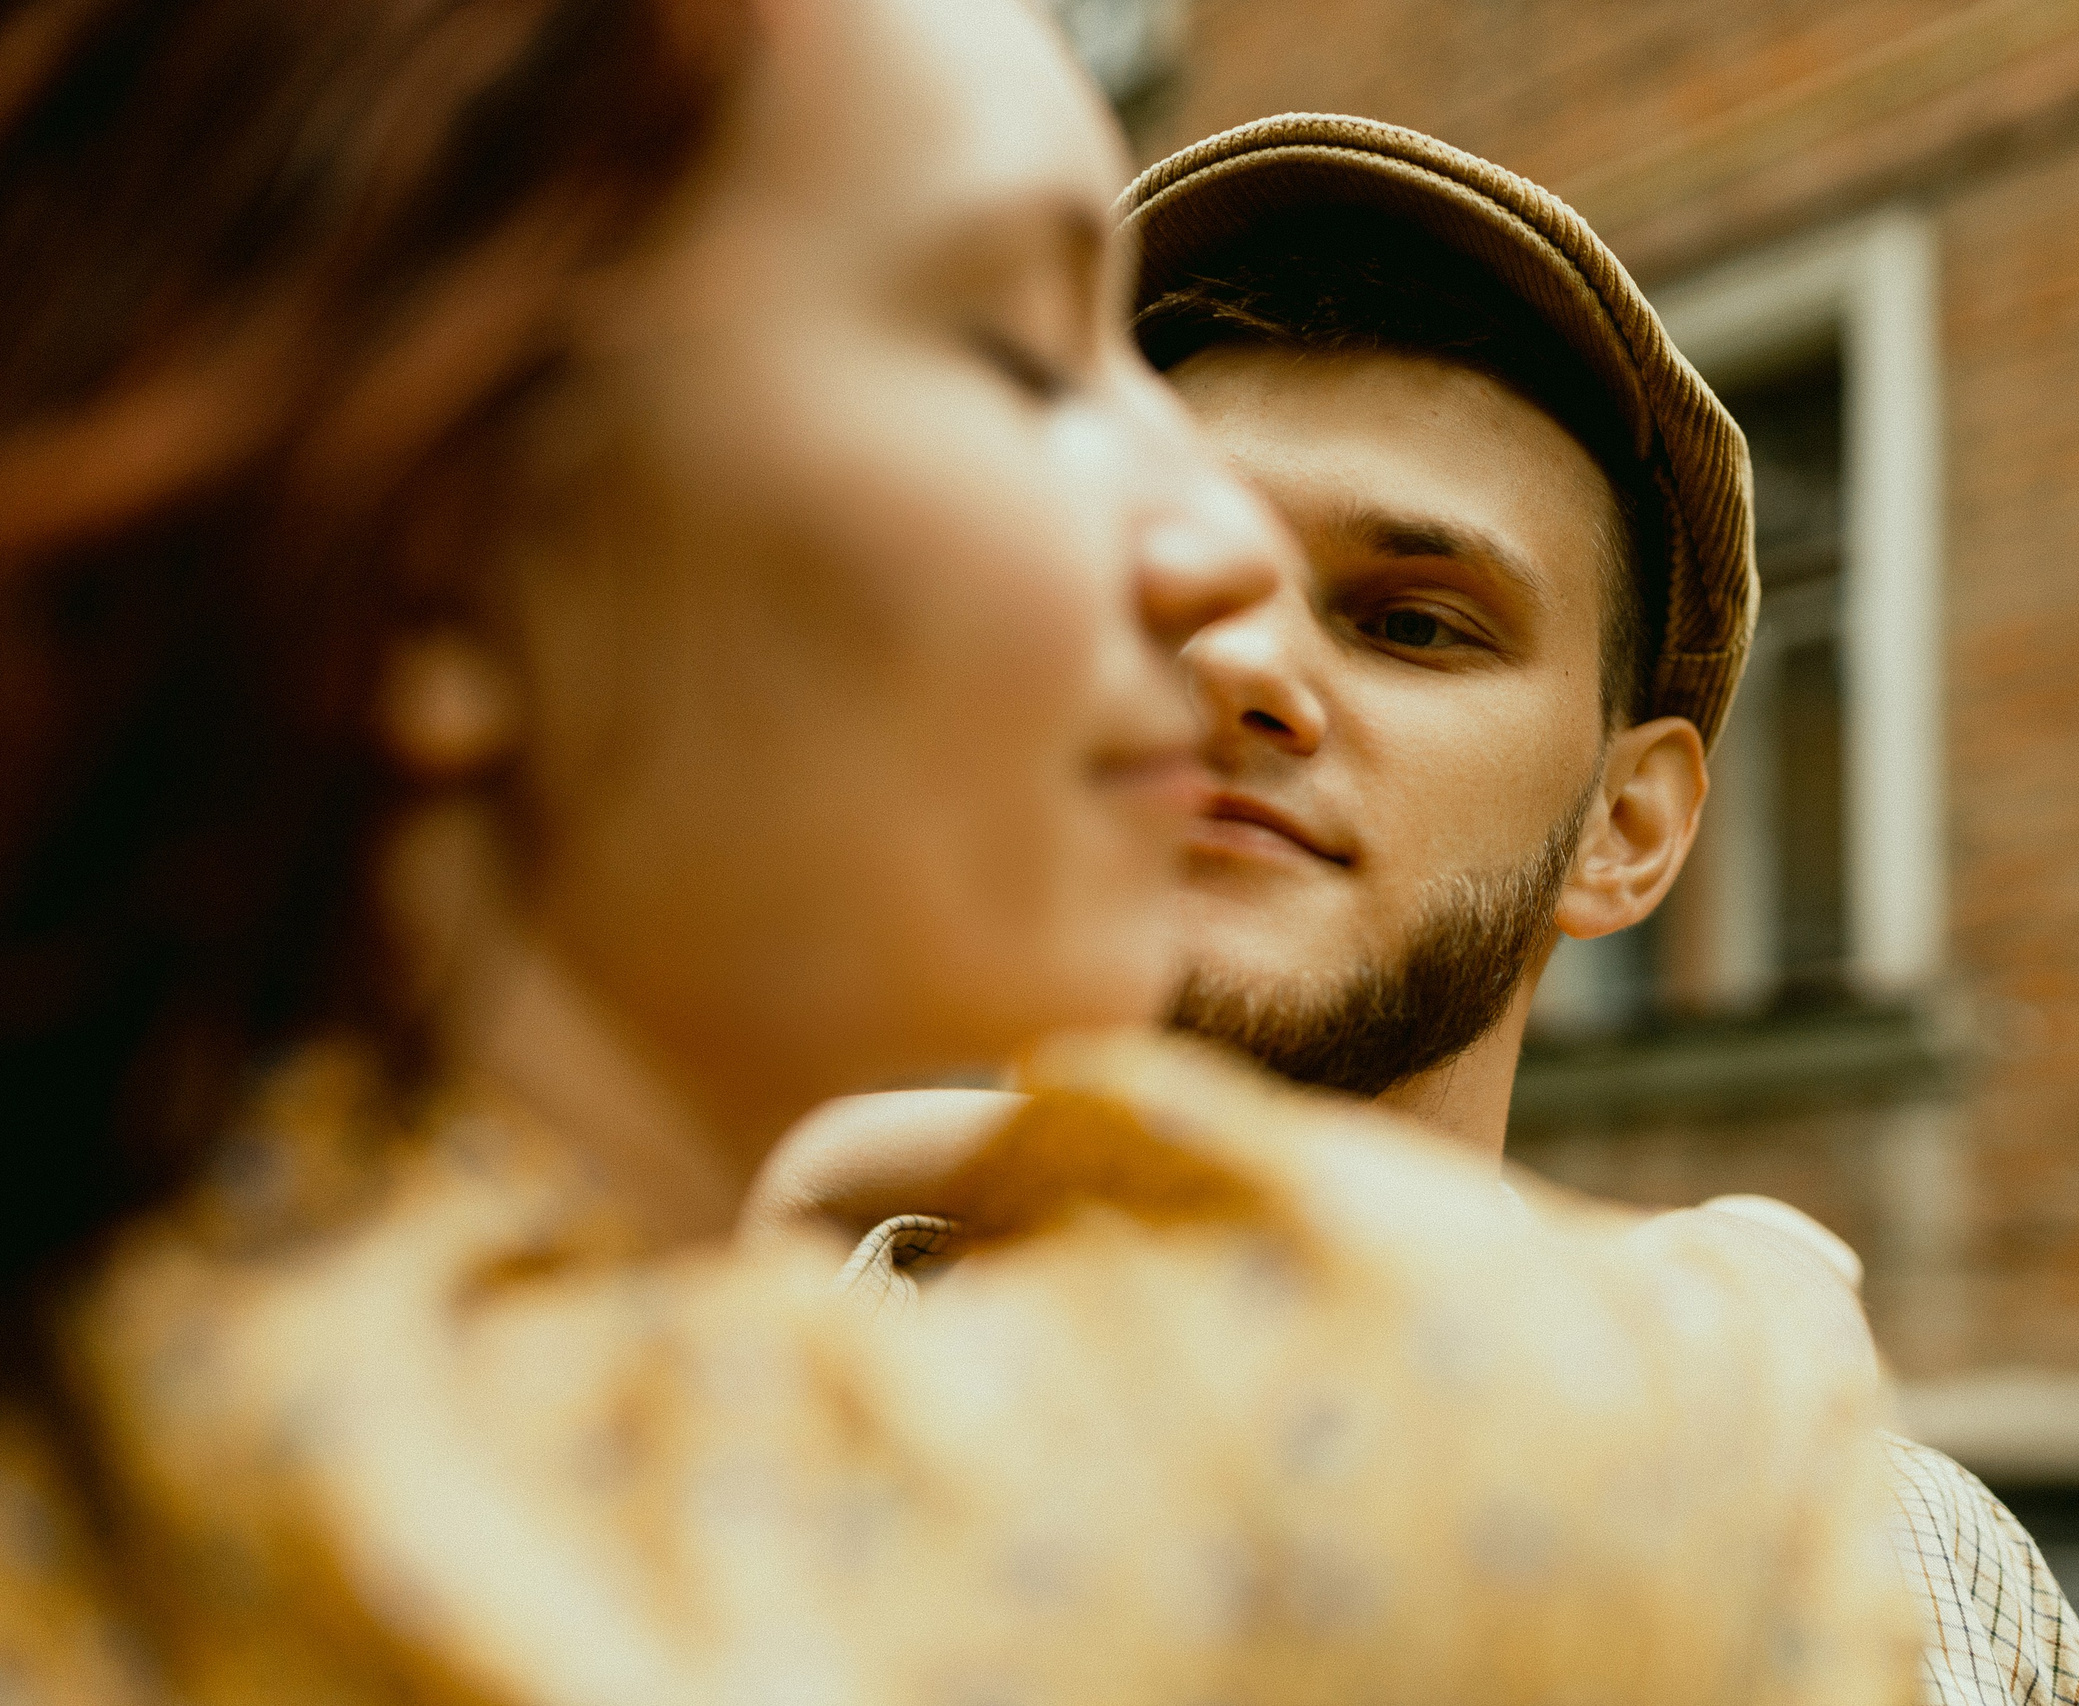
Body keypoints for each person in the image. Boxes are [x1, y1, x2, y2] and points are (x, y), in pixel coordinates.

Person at [0, 4, 1915, 1702]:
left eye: (1417, 620)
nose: (1223, 606)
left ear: (1639, 818)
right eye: (1022, 360)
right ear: (436, 549)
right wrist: (1739, 1316)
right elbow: (1662, 1450)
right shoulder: (1587, 1451)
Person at [775, 115, 2079, 1706]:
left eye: (1412, 621)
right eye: (1157, 591)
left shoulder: (1918, 1565)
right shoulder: (621, 1428)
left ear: (1627, 828)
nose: (1238, 667)